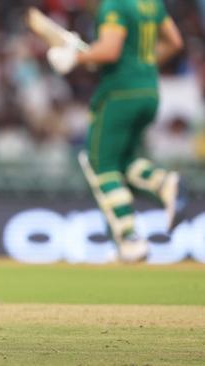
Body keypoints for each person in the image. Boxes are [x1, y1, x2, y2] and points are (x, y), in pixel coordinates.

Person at [45, 0, 187, 262]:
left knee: (101, 166)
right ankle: (160, 181)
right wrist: (139, 67)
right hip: (148, 92)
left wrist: (74, 57)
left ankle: (129, 239)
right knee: (123, 162)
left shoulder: (115, 4)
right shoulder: (151, 3)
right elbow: (174, 42)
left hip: (118, 95)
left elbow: (110, 51)